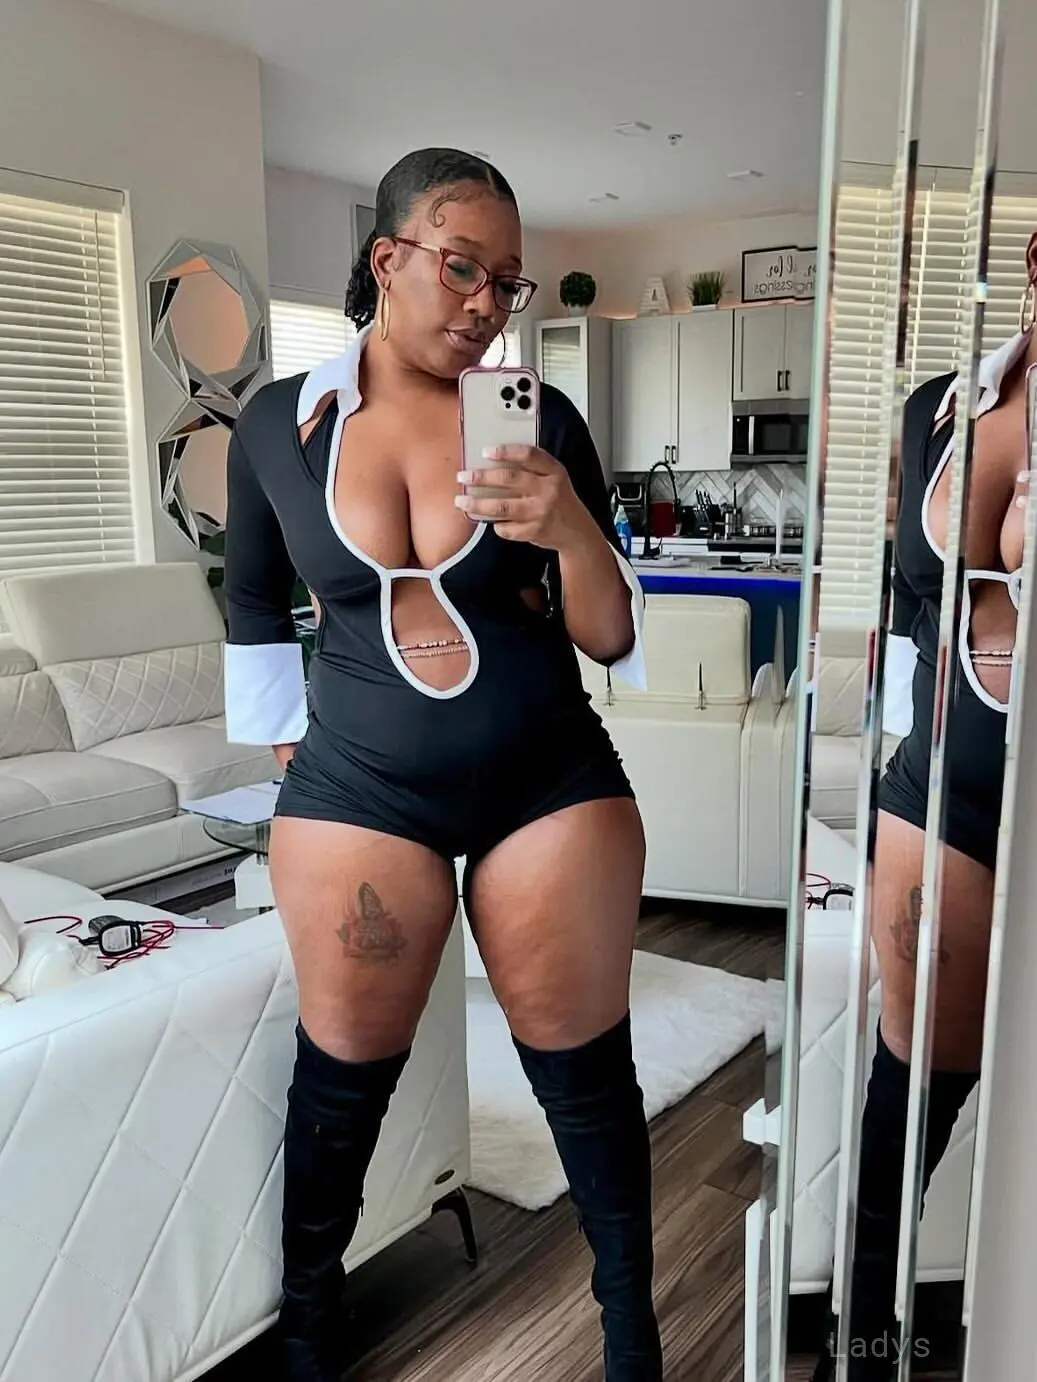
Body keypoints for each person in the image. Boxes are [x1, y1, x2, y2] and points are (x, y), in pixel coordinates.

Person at [222, 147, 662, 1382]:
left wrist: (569, 526)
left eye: (506, 282)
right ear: (388, 258)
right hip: (358, 790)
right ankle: (308, 1329)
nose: (485, 304)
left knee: (584, 1079)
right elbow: (251, 600)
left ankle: (631, 1334)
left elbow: (607, 635)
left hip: (545, 783)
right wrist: (300, 751)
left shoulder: (539, 417)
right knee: (341, 1081)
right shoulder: (278, 425)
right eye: (462, 268)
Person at [814, 229, 1037, 1380]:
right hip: (940, 778)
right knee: (906, 1098)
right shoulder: (939, 409)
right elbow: (912, 597)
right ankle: (859, 1347)